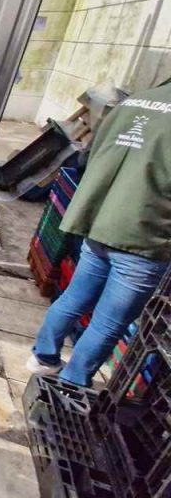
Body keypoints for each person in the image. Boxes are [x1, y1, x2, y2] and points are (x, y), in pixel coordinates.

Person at [28, 81, 171, 387]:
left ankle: (43, 357)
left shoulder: (134, 102)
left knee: (74, 298)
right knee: (108, 322)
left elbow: (86, 157)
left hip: (99, 220)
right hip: (144, 234)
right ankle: (72, 383)